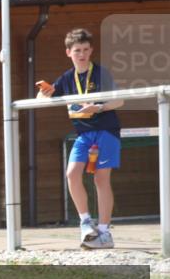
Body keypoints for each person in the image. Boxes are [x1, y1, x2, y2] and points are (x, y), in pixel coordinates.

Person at [37, 28, 123, 249]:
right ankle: (86, 223)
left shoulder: (101, 73)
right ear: (68, 53)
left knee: (101, 180)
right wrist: (43, 93)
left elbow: (119, 101)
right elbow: (45, 95)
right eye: (77, 50)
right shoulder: (67, 78)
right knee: (72, 174)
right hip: (83, 135)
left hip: (106, 131)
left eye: (85, 50)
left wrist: (100, 107)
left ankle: (104, 232)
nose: (82, 54)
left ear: (91, 50)